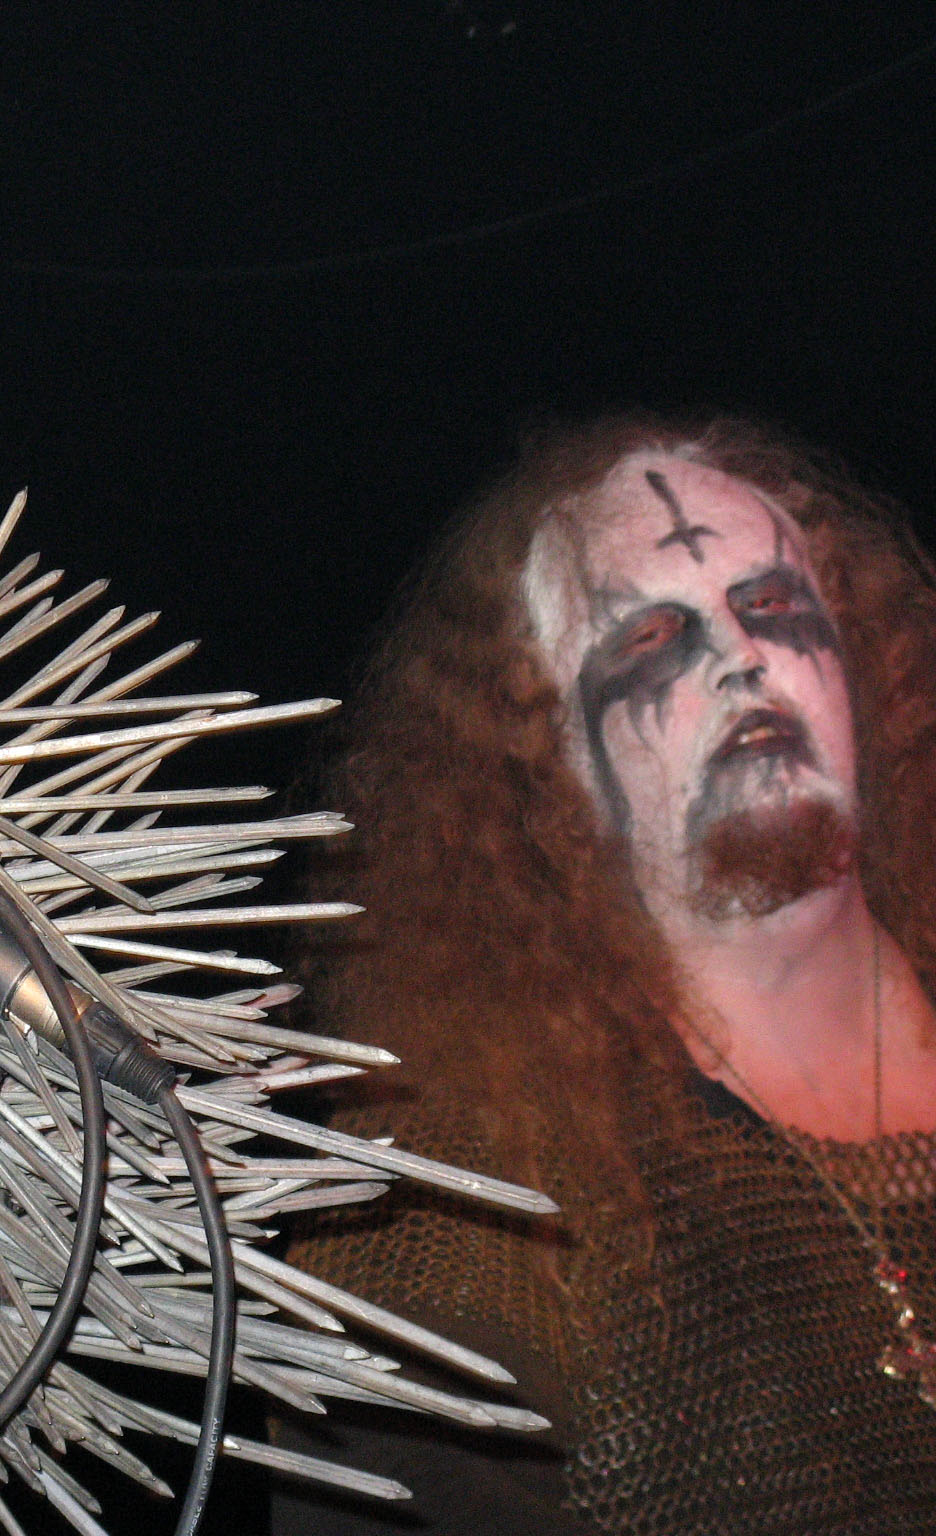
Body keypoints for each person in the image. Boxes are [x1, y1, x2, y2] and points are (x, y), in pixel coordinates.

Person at [271, 415, 936, 1534]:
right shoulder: (464, 1216)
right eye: (651, 639)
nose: (740, 657)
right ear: (547, 769)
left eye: (772, 603)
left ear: (862, 668)